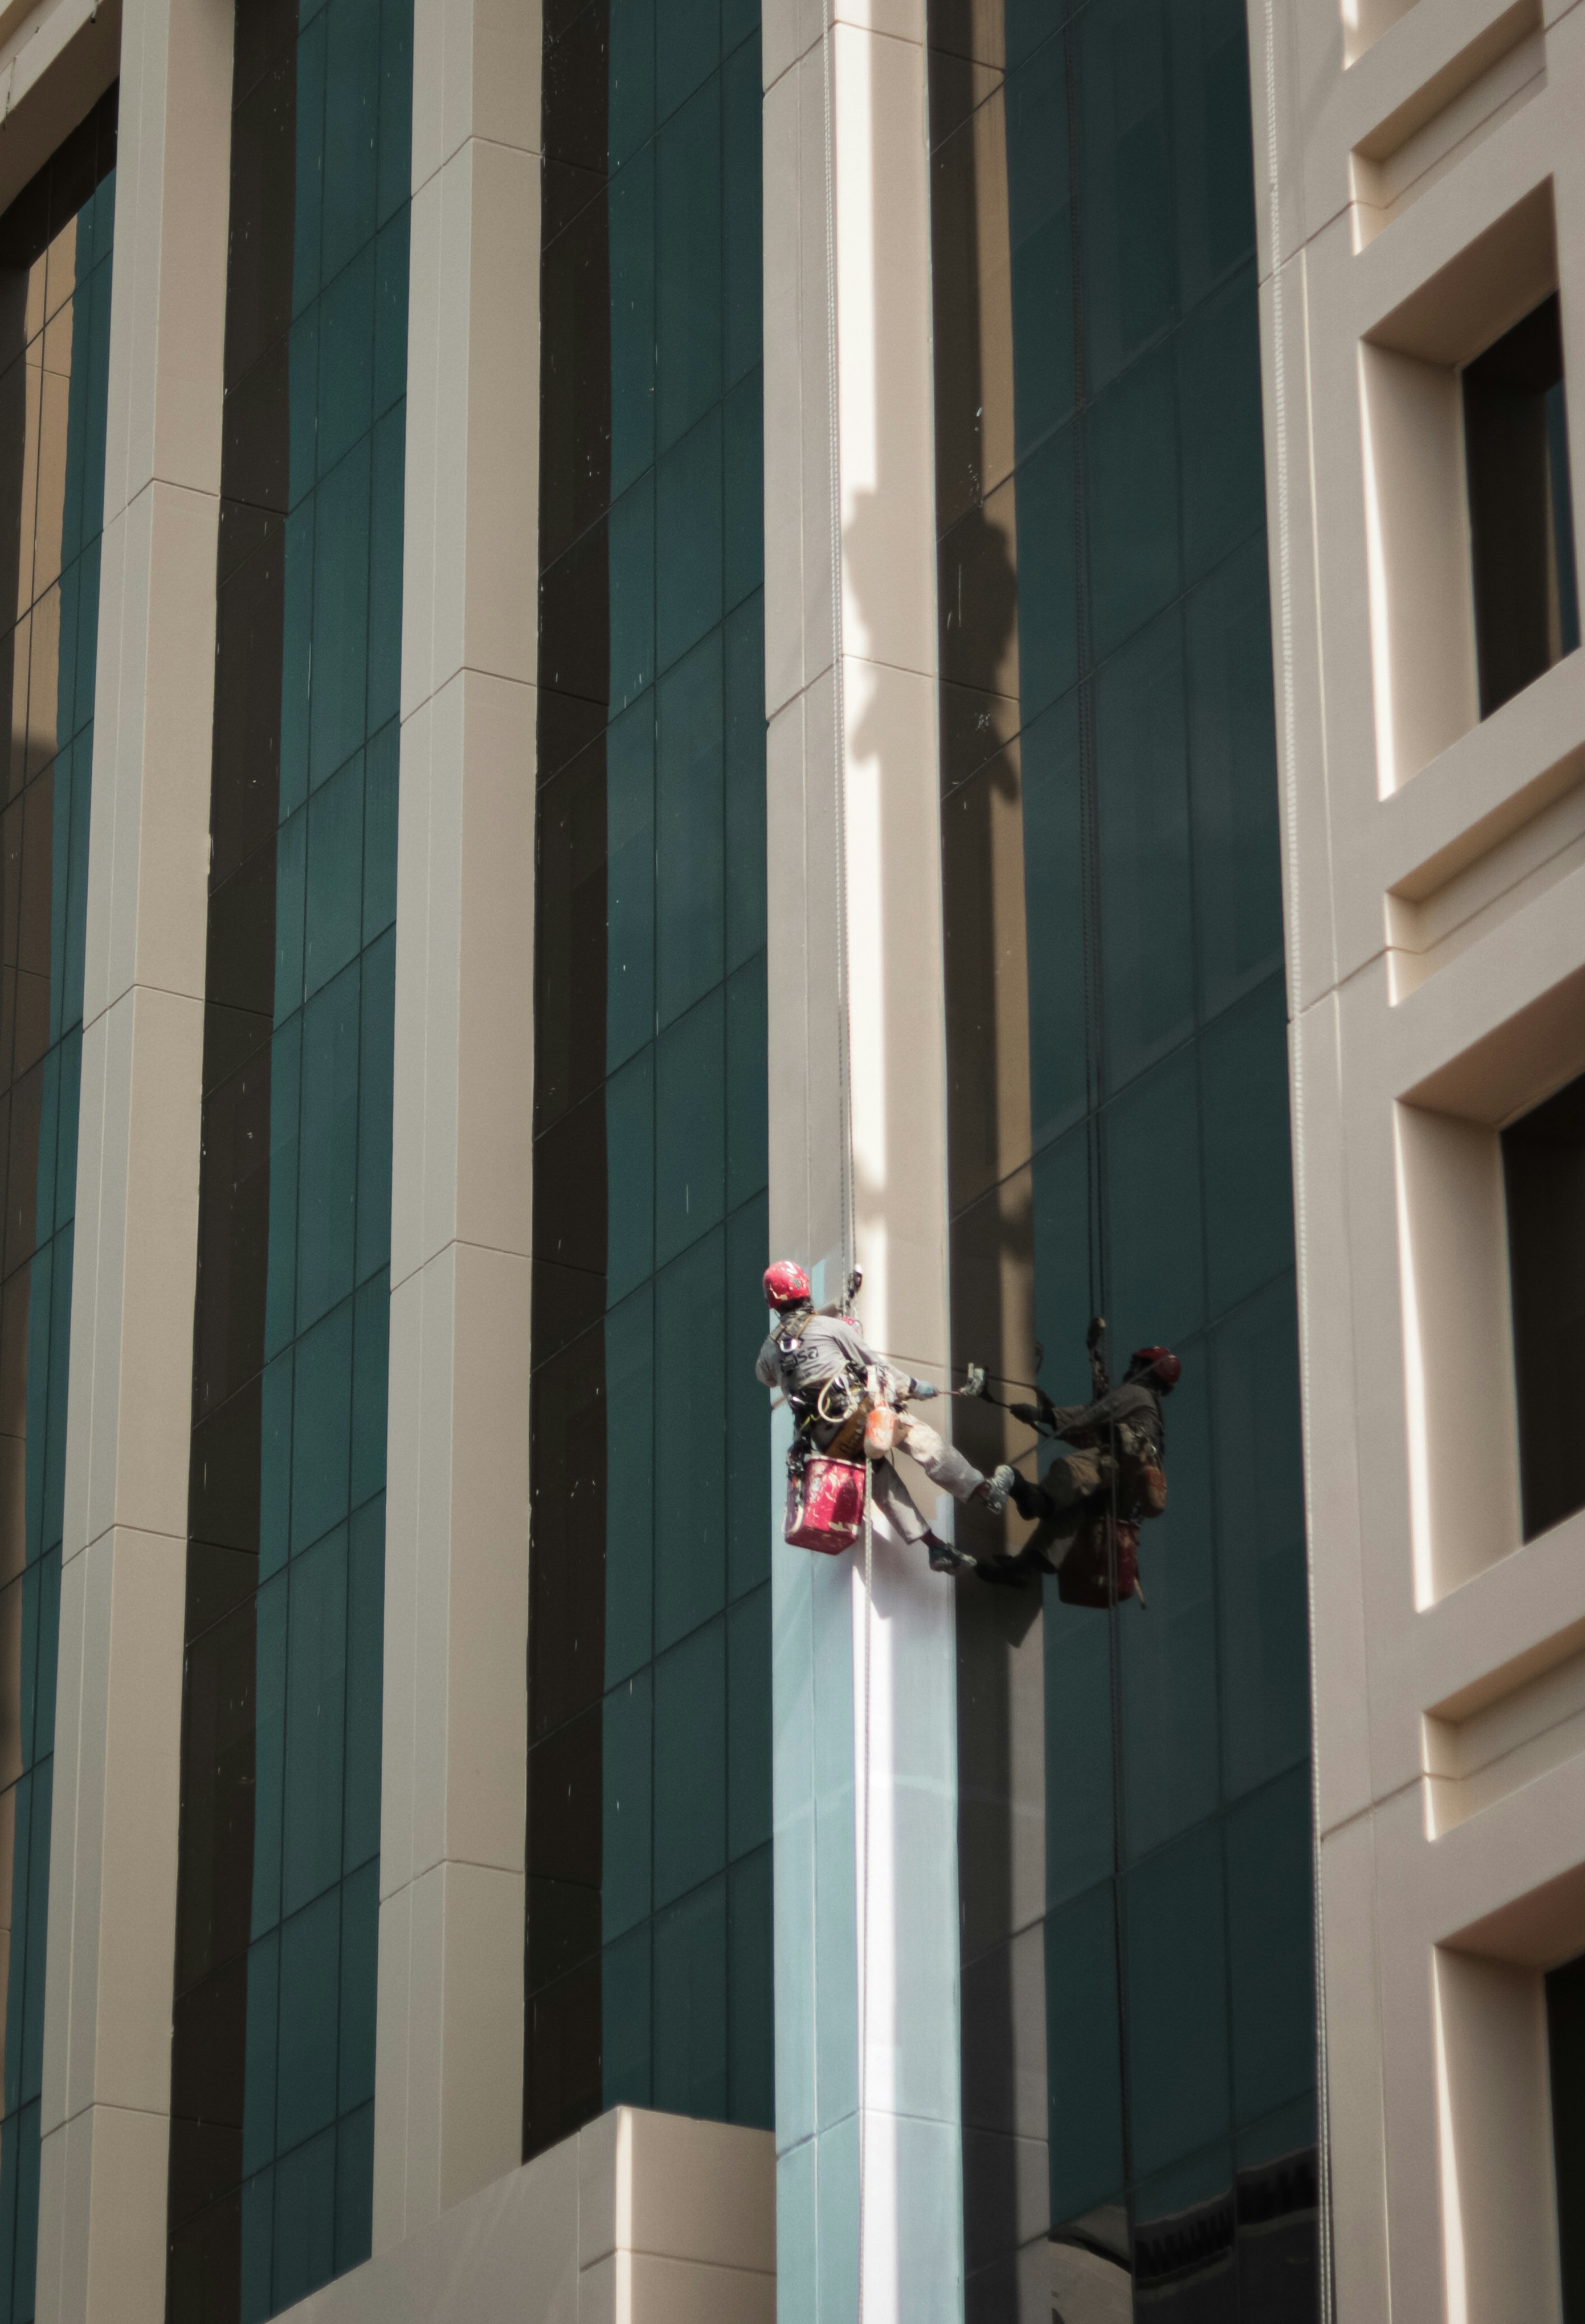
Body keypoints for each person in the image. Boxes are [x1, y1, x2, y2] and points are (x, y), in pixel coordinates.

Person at [757, 1259, 1015, 1575]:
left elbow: (766, 1377)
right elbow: (875, 1365)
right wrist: (915, 1387)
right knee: (919, 1439)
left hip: (826, 1440)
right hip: (858, 1416)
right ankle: (986, 1492)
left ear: (774, 1304)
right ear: (804, 1289)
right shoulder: (830, 1328)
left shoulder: (770, 1351)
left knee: (881, 1479)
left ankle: (936, 1548)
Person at [1005, 1344, 1180, 1535]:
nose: (1132, 1369)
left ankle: (1039, 1500)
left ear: (1147, 1368)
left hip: (1116, 1465)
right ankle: (1038, 1560)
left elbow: (1090, 1415)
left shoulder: (1137, 1393)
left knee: (1073, 1469)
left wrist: (1042, 1414)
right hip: (1124, 1493)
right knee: (1073, 1513)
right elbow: (1090, 1433)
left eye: (1136, 1364)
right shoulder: (1153, 1413)